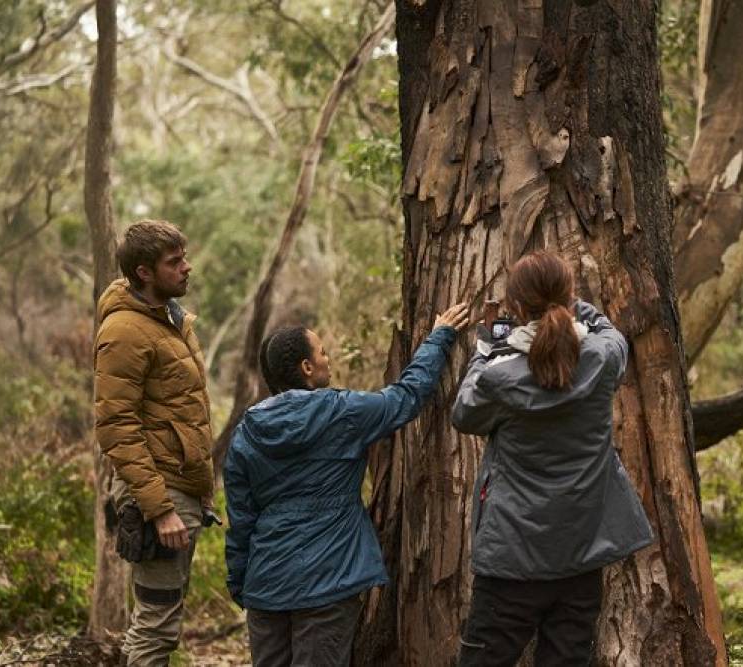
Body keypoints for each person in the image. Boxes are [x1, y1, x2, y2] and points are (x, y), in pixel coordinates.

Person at [224, 302, 470, 667]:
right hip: (328, 581)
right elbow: (406, 396)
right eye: (322, 352)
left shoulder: (246, 432)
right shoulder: (343, 412)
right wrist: (438, 339)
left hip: (267, 585)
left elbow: (241, 518)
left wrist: (241, 582)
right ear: (307, 368)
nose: (328, 358)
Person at [452, 251, 655, 666]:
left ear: (517, 308)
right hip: (580, 556)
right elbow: (609, 331)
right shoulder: (601, 359)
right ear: (569, 298)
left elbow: (464, 413)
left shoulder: (498, 378)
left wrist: (486, 346)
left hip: (511, 559)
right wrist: (569, 303)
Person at [94, 220, 218, 665]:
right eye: (175, 262)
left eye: (184, 257)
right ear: (144, 272)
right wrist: (160, 508)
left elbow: (180, 411)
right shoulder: (126, 330)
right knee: (157, 625)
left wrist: (199, 490)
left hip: (179, 488)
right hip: (158, 495)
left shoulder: (168, 321)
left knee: (156, 618)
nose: (187, 268)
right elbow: (116, 426)